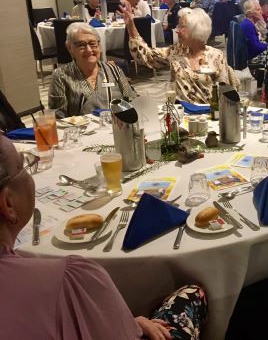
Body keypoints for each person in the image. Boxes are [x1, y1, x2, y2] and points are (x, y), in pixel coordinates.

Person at [0, 134, 208, 340]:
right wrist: (128, 326)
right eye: (24, 165)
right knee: (192, 294)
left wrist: (128, 322)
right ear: (8, 204)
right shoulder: (69, 281)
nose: (29, 173)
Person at [122, 4, 238, 103]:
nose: (176, 30)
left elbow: (226, 95)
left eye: (181, 26)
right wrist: (131, 26)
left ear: (195, 29)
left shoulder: (216, 56)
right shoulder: (176, 51)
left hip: (210, 115)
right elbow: (147, 57)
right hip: (182, 113)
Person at [48, 23, 135, 118]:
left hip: (114, 128)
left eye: (92, 44)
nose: (89, 50)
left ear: (99, 45)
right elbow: (58, 116)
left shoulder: (114, 70)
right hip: (80, 131)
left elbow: (131, 101)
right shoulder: (61, 76)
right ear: (70, 48)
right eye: (81, 45)